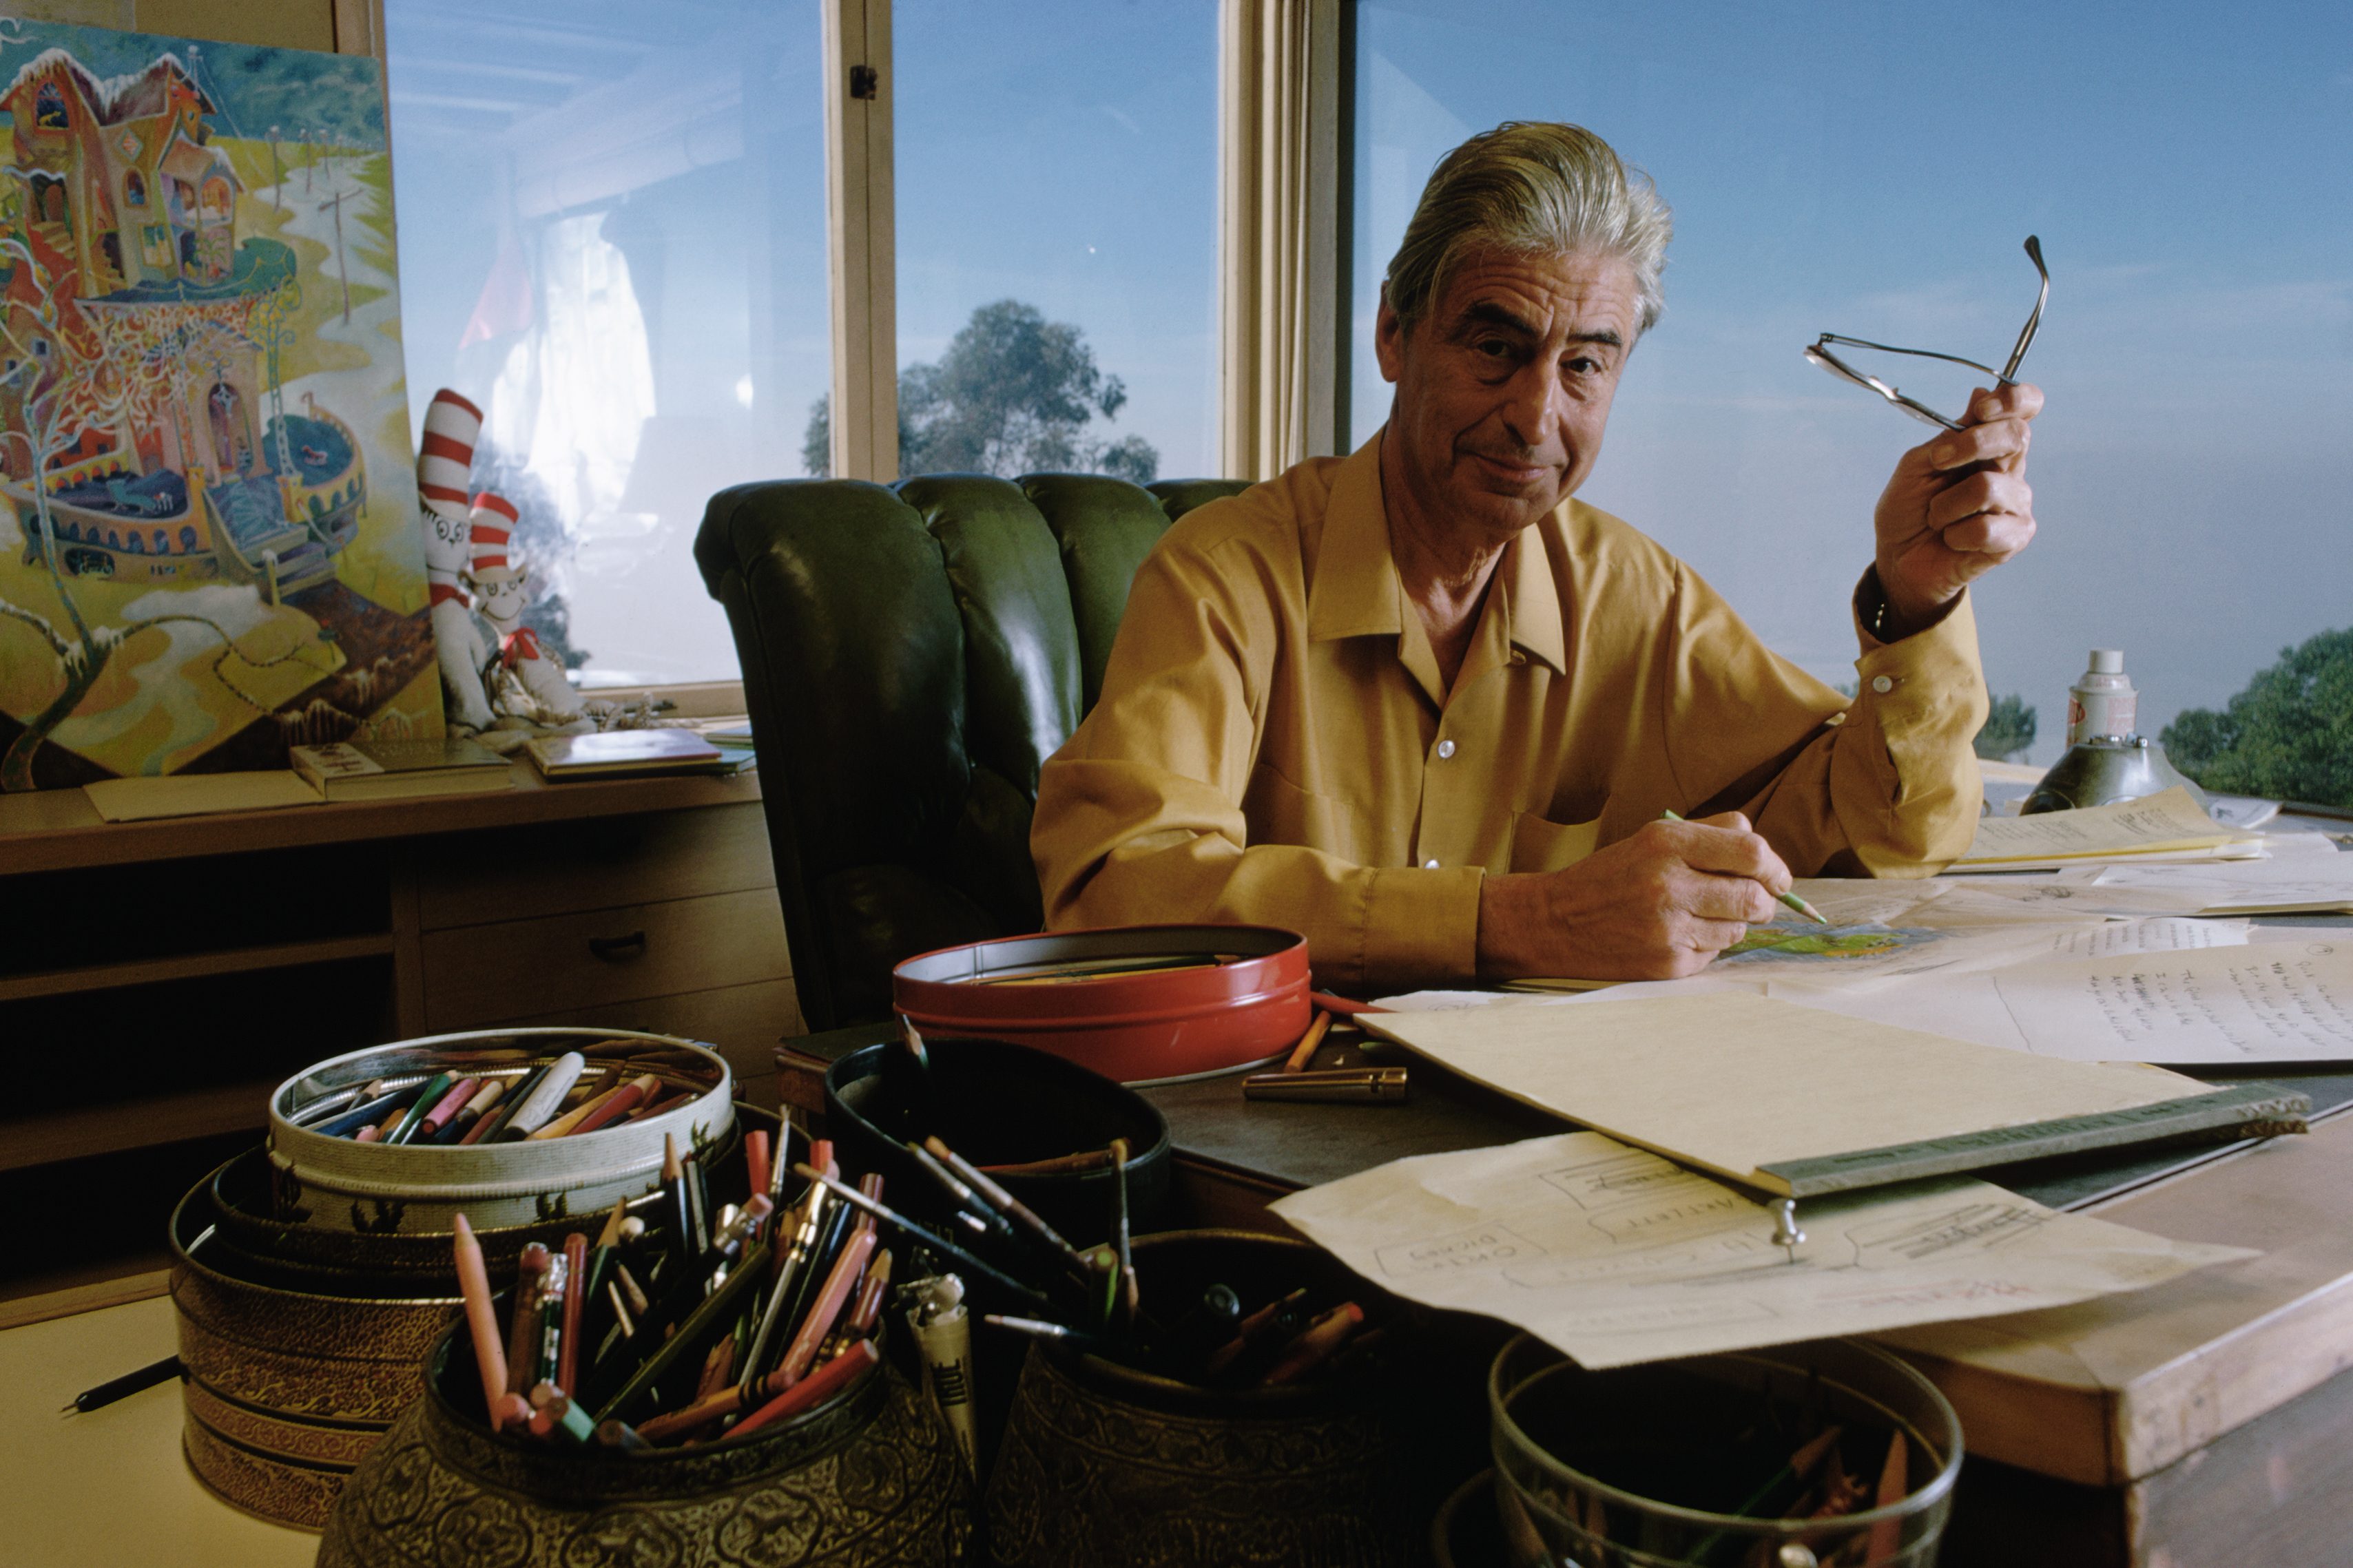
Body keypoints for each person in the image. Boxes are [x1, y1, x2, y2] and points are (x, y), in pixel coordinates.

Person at [1030, 122, 2040, 994]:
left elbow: (1864, 843)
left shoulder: (1632, 593)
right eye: (1496, 348)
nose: (1534, 417)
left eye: (1585, 365)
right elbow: (1116, 897)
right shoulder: (1223, 576)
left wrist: (1916, 597)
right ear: (1394, 332)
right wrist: (1523, 921)